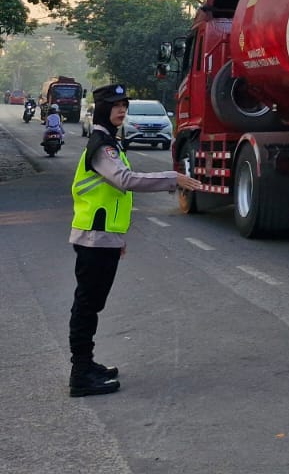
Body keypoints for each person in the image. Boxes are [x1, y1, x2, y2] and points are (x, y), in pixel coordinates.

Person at [68, 82, 199, 398]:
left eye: (124, 105)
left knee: (91, 304)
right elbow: (124, 181)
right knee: (86, 306)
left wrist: (118, 237)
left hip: (103, 237)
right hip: (93, 237)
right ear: (102, 109)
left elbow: (112, 195)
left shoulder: (109, 142)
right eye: (116, 105)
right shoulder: (102, 146)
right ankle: (80, 374)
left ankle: (87, 364)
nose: (122, 110)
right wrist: (172, 178)